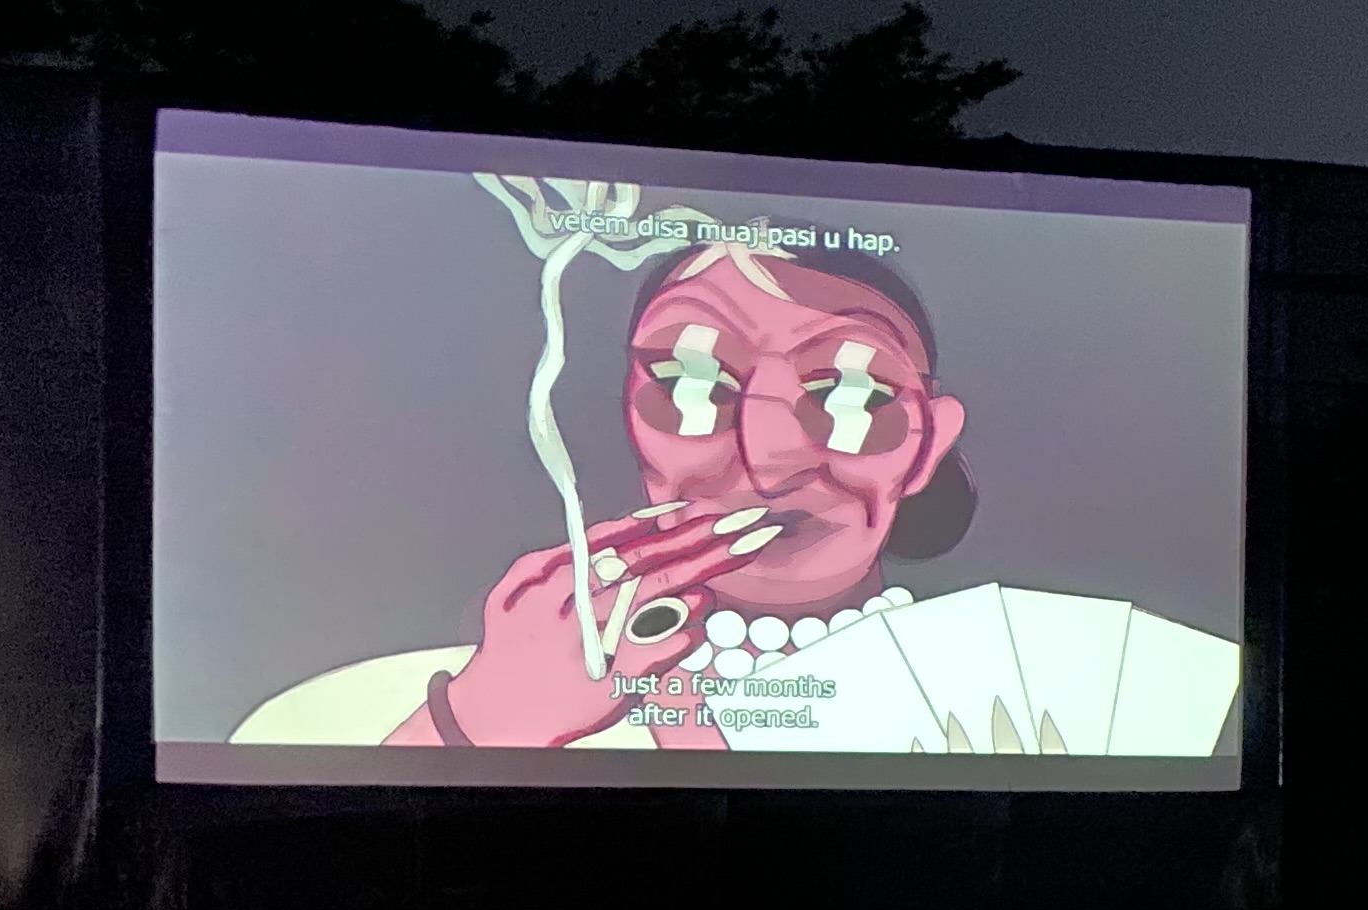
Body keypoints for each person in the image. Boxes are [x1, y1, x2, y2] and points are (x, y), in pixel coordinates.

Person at [233, 231, 1240, 756]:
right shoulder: (394, 706)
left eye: (852, 392)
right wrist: (478, 724)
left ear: (928, 442)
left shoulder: (1099, 684)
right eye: (690, 381)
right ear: (621, 414)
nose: (768, 456)